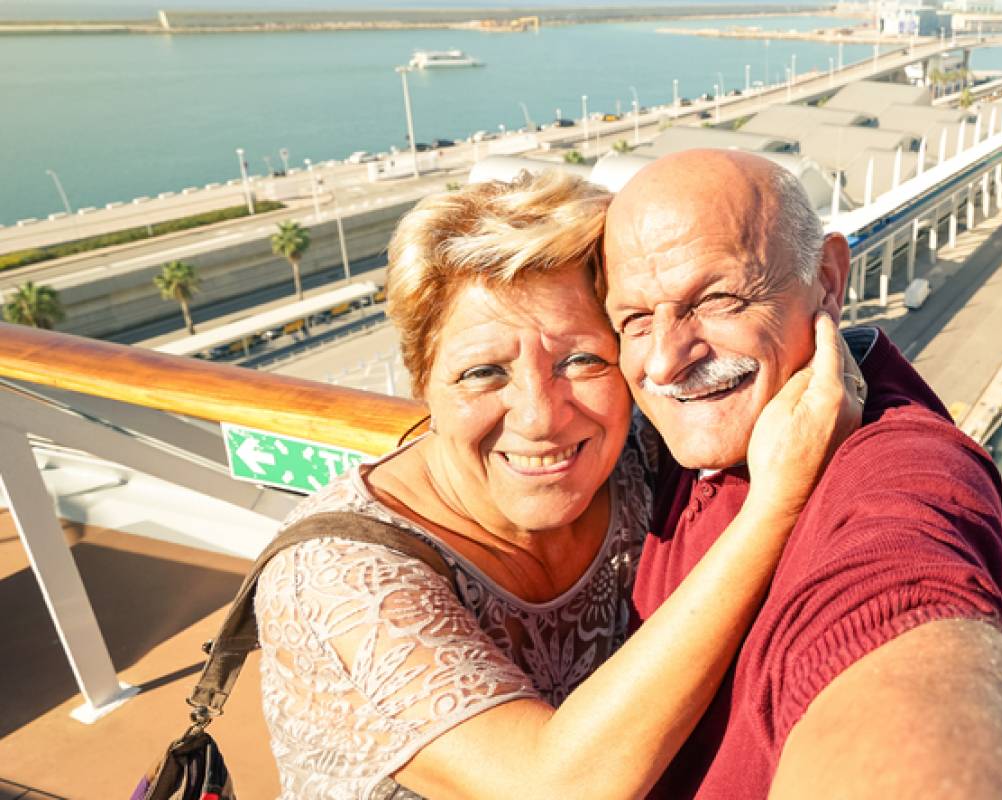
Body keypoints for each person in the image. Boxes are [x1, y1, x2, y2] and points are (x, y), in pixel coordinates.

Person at [253, 171, 860, 799]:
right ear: (422, 383)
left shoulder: (638, 457)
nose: (541, 418)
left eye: (581, 361)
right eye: (484, 372)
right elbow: (550, 788)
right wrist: (774, 506)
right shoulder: (337, 579)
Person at [603, 149, 1002, 797]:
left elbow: (898, 605)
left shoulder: (899, 471)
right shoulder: (687, 437)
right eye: (632, 321)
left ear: (827, 277)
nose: (663, 362)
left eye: (716, 299)